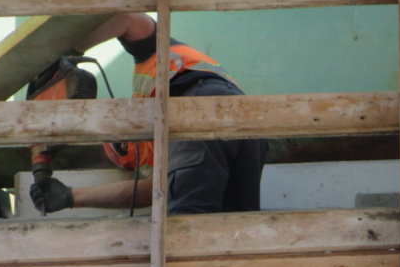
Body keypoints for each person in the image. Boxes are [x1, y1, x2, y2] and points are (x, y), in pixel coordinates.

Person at [30, 13, 268, 215]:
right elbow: (151, 191)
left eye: (118, 138)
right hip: (246, 124)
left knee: (185, 221)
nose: (125, 143)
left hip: (197, 102)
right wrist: (71, 197)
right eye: (123, 150)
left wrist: (66, 54)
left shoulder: (151, 66)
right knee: (235, 223)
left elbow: (127, 18)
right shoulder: (157, 155)